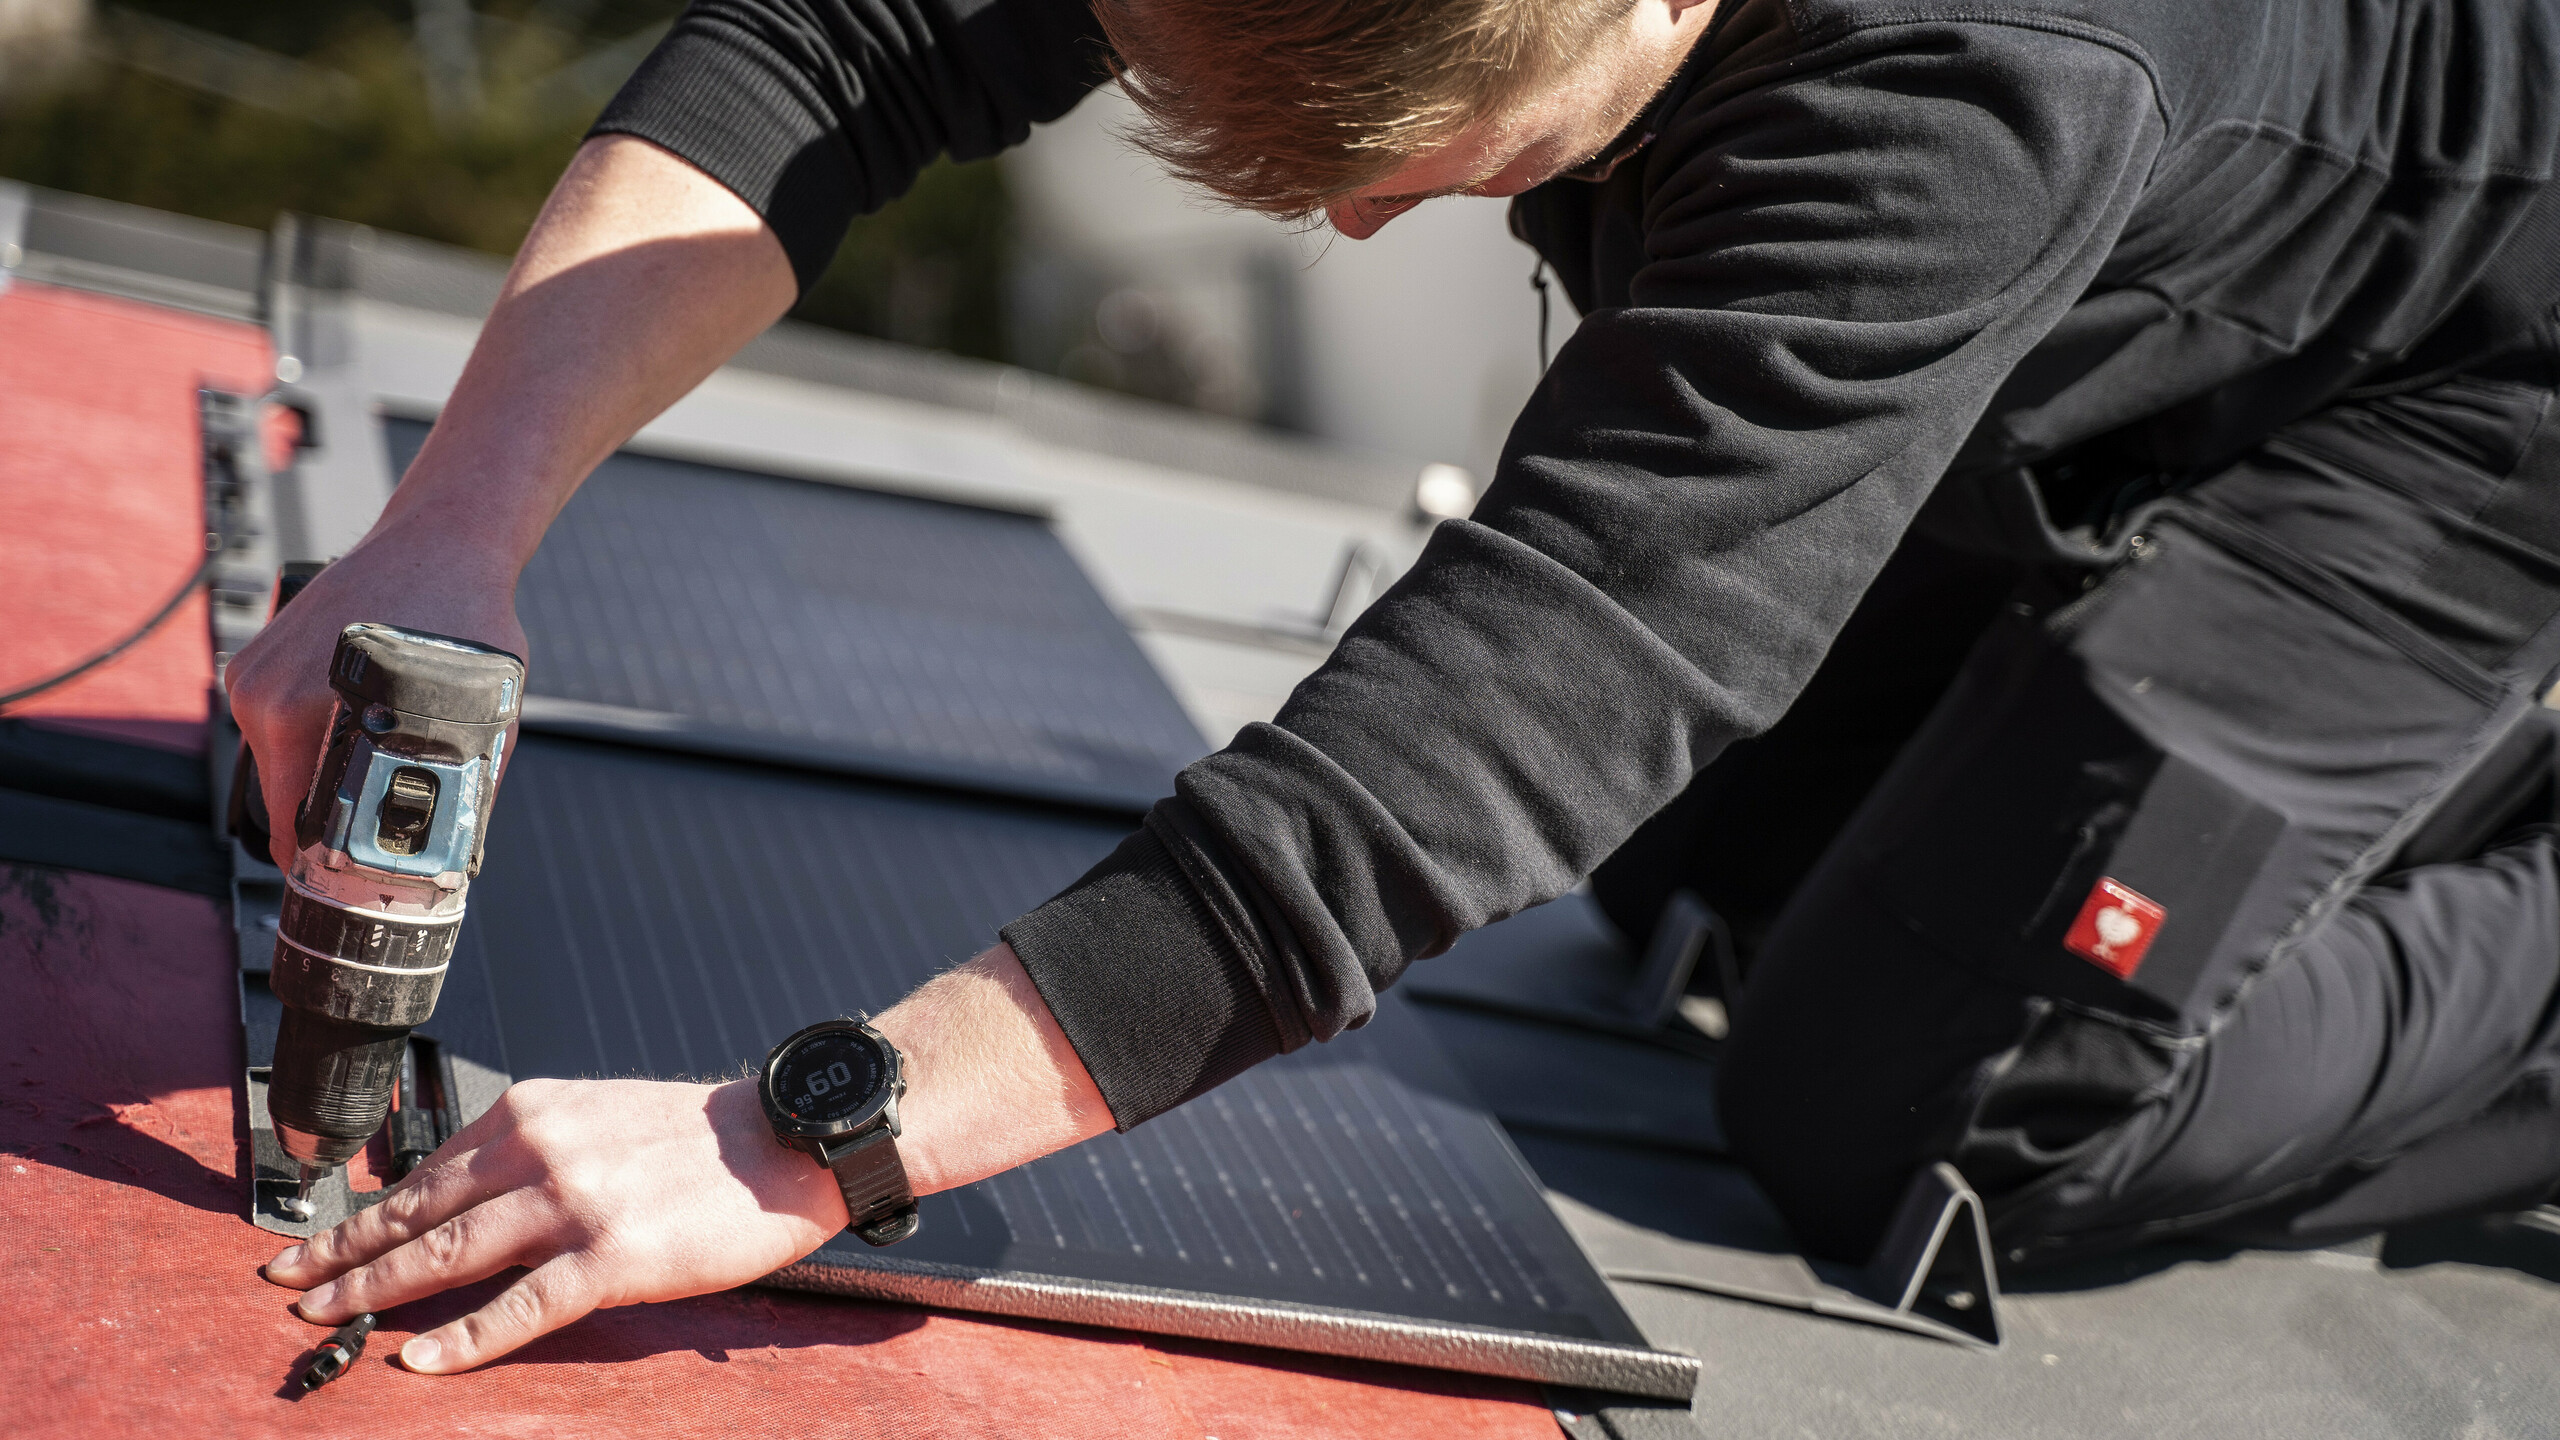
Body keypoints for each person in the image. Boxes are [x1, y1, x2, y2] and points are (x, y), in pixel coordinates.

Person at [235, 0, 2560, 1374]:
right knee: (1715, 873)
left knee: (1914, 1105)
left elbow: (1541, 681)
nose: (1352, 227)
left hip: (2466, 394)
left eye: (1426, 171)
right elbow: (838, 35)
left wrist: (803, 1139)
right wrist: (452, 526)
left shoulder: (1961, 92)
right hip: (2122, 314)